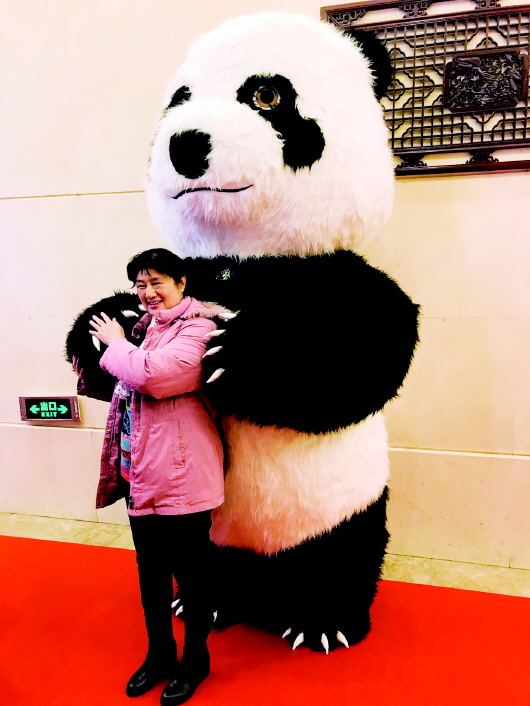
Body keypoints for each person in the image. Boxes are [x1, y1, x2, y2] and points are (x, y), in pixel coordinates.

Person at [84, 248, 225, 705]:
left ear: (181, 282)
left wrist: (114, 344)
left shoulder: (201, 327)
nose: (147, 292)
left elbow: (155, 377)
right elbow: (128, 383)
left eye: (157, 282)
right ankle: (160, 653)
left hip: (182, 473)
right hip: (140, 470)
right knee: (151, 572)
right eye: (140, 285)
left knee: (193, 575)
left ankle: (195, 659)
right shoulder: (144, 328)